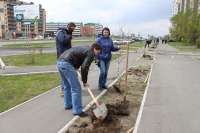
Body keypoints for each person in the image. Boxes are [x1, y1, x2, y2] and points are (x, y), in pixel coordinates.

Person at [57, 43, 102, 117]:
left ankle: (68, 105)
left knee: (67, 86)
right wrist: (84, 81)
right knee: (76, 88)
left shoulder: (85, 48)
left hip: (60, 62)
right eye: (98, 52)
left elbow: (77, 56)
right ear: (95, 49)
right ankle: (77, 111)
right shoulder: (91, 53)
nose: (97, 55)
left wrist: (75, 66)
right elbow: (84, 67)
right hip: (67, 64)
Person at [56, 22, 76, 96]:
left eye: (74, 28)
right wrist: (69, 36)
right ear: (68, 26)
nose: (73, 29)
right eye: (72, 28)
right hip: (62, 57)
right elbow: (62, 41)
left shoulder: (67, 33)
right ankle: (63, 90)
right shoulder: (60, 32)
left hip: (67, 57)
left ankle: (66, 90)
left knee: (67, 75)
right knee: (63, 76)